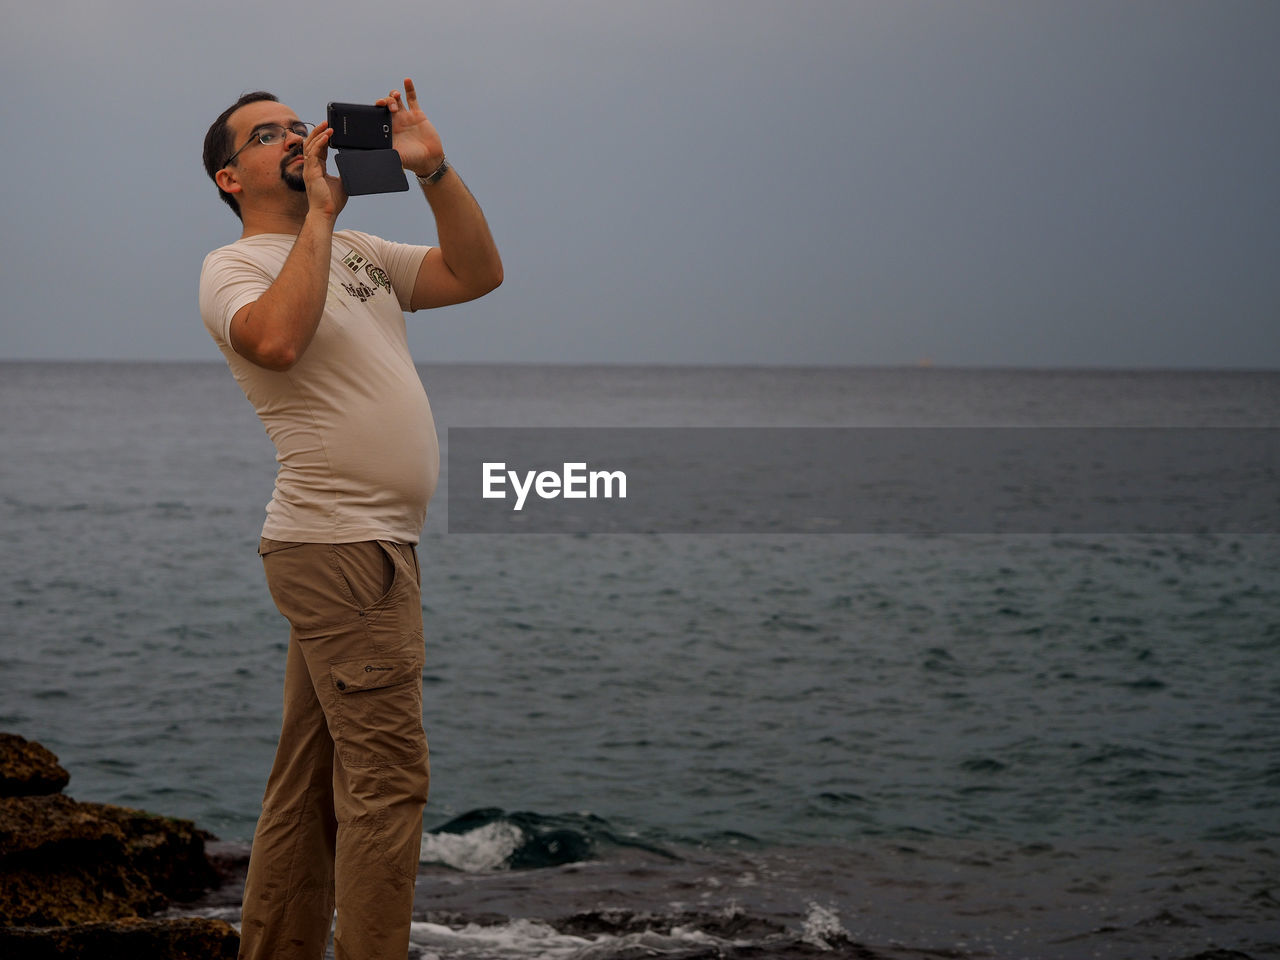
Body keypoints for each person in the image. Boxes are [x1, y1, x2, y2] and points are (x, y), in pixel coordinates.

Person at [198, 78, 502, 960]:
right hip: (339, 545)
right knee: (389, 786)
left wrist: (435, 168)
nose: (295, 137)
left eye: (300, 125)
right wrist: (321, 219)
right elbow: (276, 342)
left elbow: (478, 274)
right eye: (267, 135)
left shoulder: (363, 252)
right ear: (230, 178)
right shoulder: (236, 267)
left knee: (309, 789)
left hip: (364, 546)